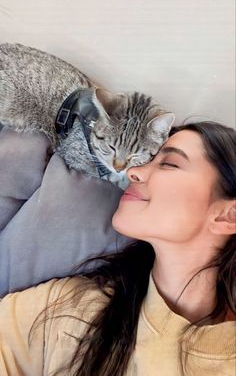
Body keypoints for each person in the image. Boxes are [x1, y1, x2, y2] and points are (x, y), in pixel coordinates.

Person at [0, 121, 235, 376]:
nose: (133, 171)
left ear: (228, 216)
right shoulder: (66, 310)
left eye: (169, 164)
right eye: (149, 159)